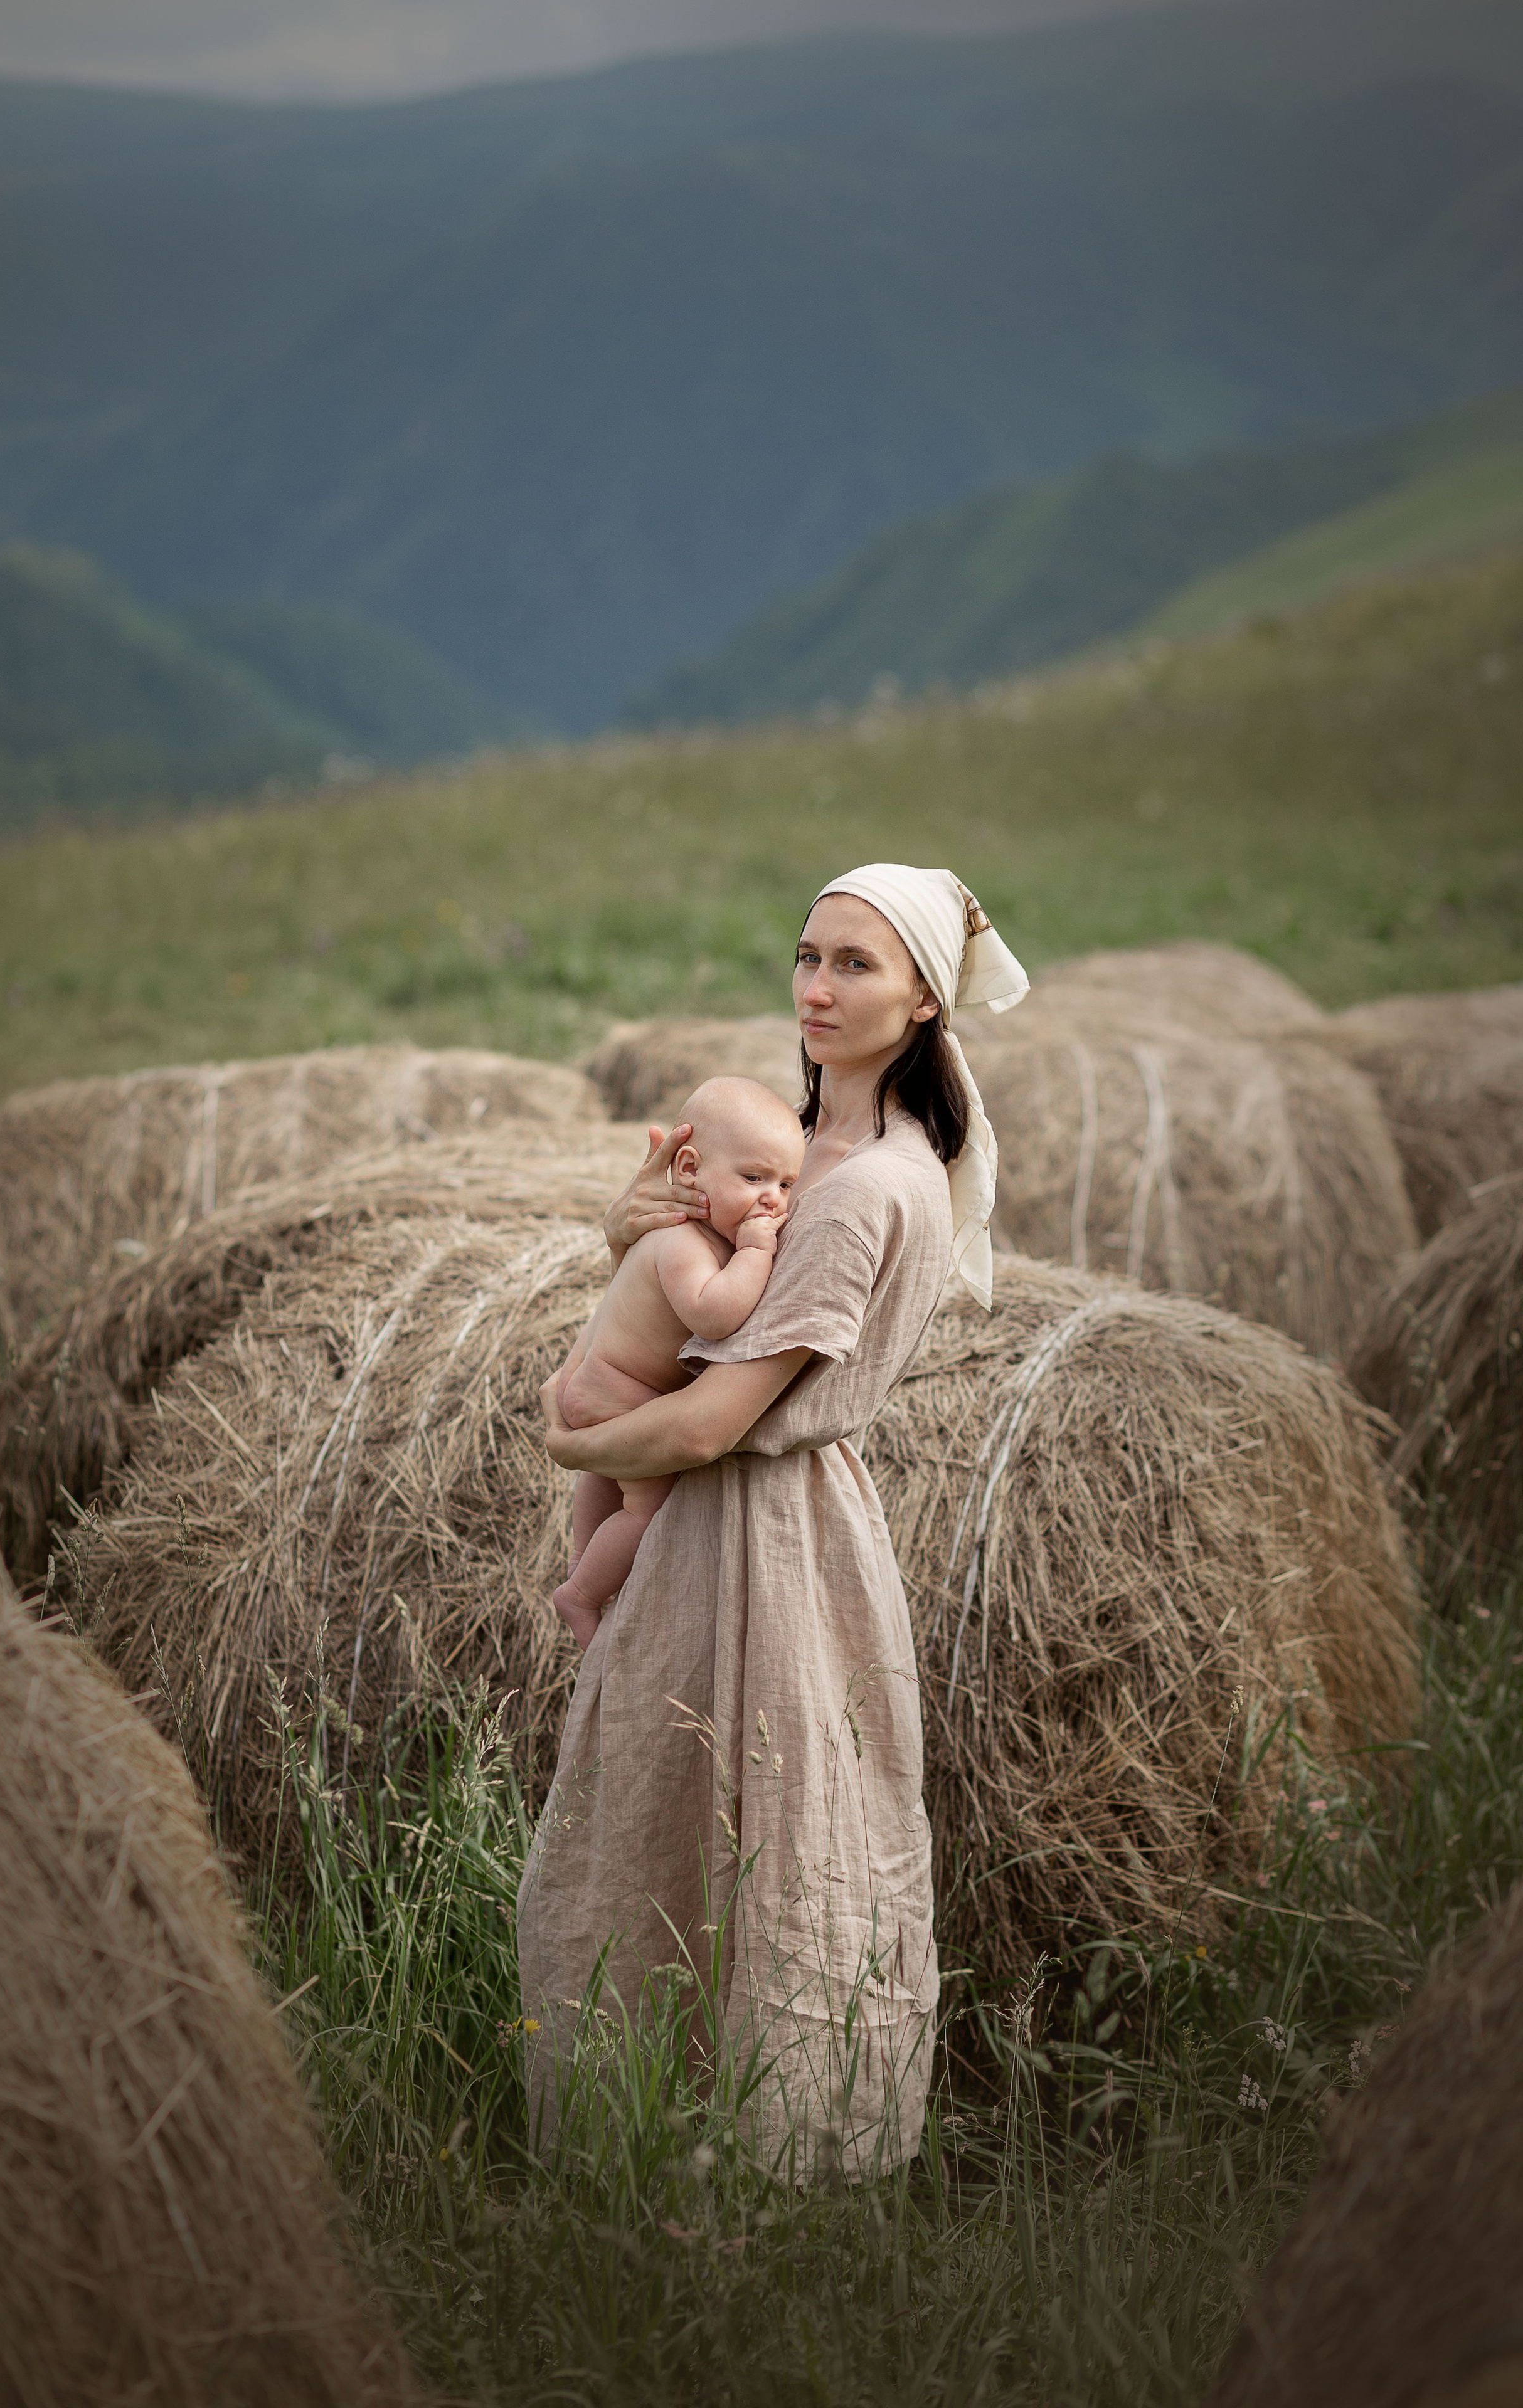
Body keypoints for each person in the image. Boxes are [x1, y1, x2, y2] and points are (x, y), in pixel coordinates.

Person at [517, 863, 1028, 2180]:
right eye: (805, 955)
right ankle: (654, 2139)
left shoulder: (870, 1188)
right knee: (677, 1829)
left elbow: (703, 1425)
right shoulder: (806, 1152)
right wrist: (631, 1238)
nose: (814, 986)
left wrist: (571, 1437)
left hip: (762, 1525)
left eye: (854, 964)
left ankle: (769, 2166)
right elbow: (685, 1312)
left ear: (924, 996)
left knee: (772, 1844)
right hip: (721, 1517)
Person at [551, 1076, 805, 1649]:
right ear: (688, 1169)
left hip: (596, 1384)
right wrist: (758, 1252)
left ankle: (581, 1559)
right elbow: (713, 1316)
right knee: (644, 1504)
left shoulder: (686, 1230)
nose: (775, 1199)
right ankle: (584, 1594)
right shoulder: (683, 1243)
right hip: (618, 1390)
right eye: (754, 1178)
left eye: (788, 1183)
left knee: (605, 1473)